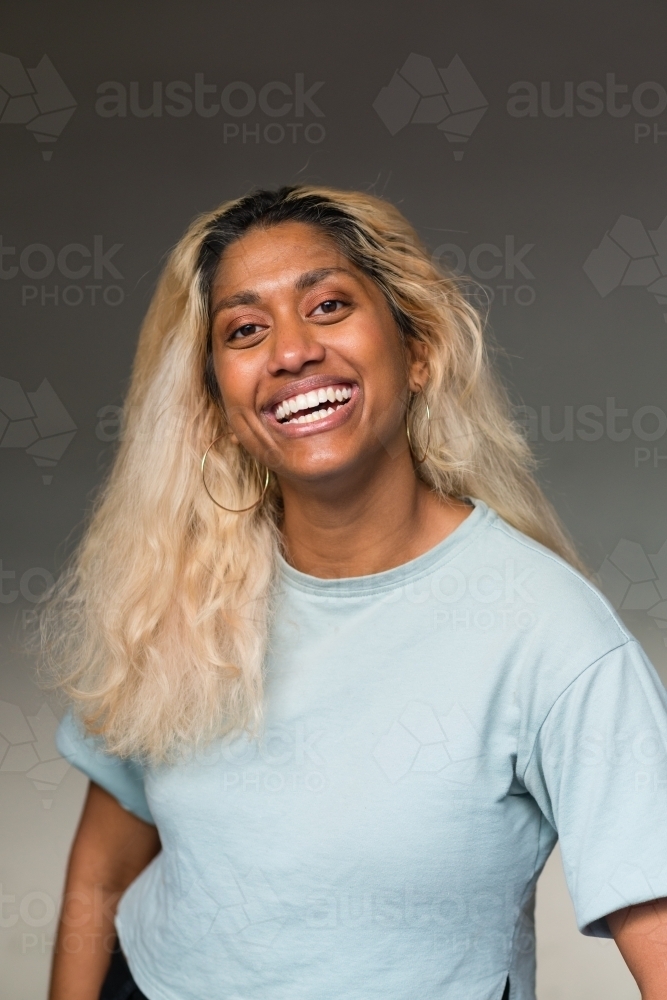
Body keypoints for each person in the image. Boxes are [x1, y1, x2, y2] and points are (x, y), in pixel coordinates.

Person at [43, 185, 667, 1000]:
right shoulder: (180, 592)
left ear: (418, 350)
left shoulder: (549, 633)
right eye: (244, 330)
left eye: (328, 306)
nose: (291, 351)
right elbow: (101, 876)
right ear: (219, 408)